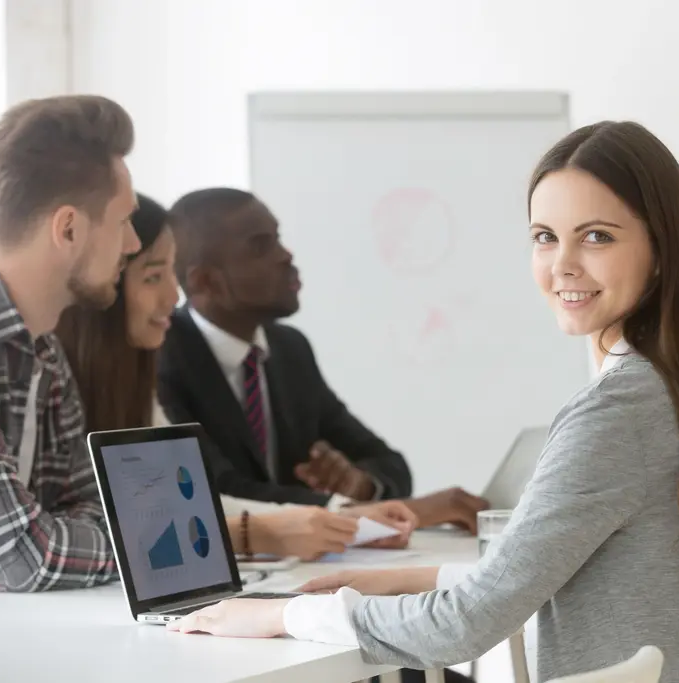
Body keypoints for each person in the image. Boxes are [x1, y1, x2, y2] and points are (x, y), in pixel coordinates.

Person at [165, 121, 679, 683]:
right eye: (545, 236)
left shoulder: (618, 413)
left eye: (597, 236)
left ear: (661, 251)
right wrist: (400, 581)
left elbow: (465, 625)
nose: (562, 265)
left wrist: (285, 615)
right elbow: (586, 578)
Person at [53, 193, 416, 561]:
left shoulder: (289, 349)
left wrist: (347, 503)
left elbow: (185, 501)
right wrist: (277, 528)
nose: (173, 296)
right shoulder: (162, 356)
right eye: (153, 277)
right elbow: (198, 493)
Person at [156, 188, 489, 531]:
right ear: (205, 281)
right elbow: (215, 492)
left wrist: (359, 484)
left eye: (278, 238)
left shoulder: (289, 349)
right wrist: (378, 512)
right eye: (261, 246)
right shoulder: (162, 357)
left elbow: (388, 463)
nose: (285, 255)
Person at [0, 95, 140, 590]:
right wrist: (138, 548)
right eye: (123, 222)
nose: (134, 244)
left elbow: (95, 509)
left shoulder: (44, 352)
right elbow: (23, 556)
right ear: (68, 228)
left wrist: (39, 544)